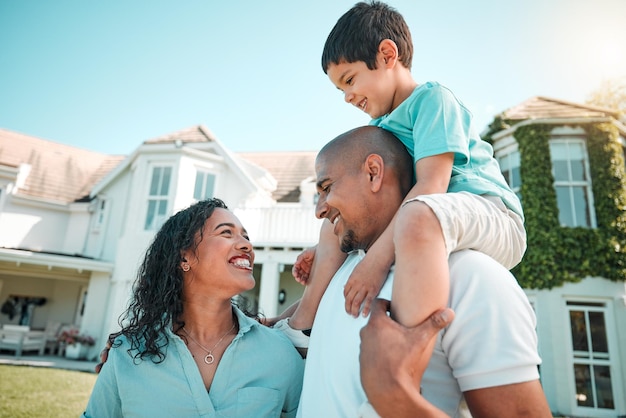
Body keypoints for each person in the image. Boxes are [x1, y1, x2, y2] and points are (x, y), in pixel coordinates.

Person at [279, 0, 527, 370]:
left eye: (349, 80)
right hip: (429, 216)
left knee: (418, 214)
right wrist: (324, 250)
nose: (347, 96)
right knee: (338, 213)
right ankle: (298, 323)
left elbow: (432, 185)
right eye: (340, 89)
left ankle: (407, 355)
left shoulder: (432, 100)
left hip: (490, 212)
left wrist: (375, 263)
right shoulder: (379, 131)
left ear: (387, 54)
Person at [296, 126, 551, 417]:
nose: (319, 210)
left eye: (327, 188)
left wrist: (395, 397)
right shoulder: (342, 274)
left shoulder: (469, 276)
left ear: (373, 172)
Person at [83, 198, 304, 417]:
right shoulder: (126, 353)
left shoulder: (279, 352)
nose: (247, 244)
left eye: (246, 236)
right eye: (226, 233)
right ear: (184, 256)